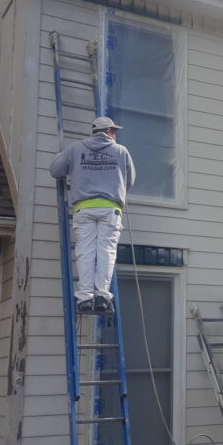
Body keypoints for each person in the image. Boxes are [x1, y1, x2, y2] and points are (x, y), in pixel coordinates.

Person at [50, 116, 135, 314]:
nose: (115, 135)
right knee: (106, 252)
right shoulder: (121, 151)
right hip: (110, 208)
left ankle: (85, 297)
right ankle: (102, 297)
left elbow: (55, 171)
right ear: (108, 132)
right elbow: (129, 181)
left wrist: (70, 156)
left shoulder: (75, 148)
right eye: (114, 131)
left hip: (84, 208)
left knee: (85, 252)